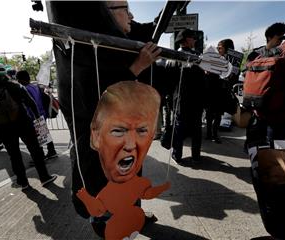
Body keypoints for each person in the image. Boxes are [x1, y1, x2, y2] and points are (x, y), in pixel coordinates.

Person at [46, 0, 162, 228]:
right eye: (125, 9)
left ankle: (133, 214)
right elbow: (97, 99)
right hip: (104, 153)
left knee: (130, 179)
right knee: (108, 201)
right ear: (103, 14)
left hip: (126, 143)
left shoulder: (118, 45)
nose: (131, 16)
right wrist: (136, 67)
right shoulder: (86, 52)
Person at [76, 81, 170, 239]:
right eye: (119, 131)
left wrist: (162, 187)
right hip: (114, 228)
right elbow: (98, 209)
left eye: (142, 131)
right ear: (96, 137)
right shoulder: (105, 190)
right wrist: (85, 197)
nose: (131, 145)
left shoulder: (138, 182)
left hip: (134, 221)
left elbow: (147, 193)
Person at [0, 61, 57, 189]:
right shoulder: (15, 86)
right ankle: (44, 177)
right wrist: (37, 119)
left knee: (14, 155)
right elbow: (31, 103)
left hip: (2, 128)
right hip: (24, 124)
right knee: (35, 151)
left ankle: (23, 182)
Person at [168, 29, 206, 163]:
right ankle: (196, 156)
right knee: (196, 127)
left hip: (180, 98)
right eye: (193, 37)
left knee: (179, 126)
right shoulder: (200, 57)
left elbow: (169, 79)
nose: (195, 40)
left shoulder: (173, 55)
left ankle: (177, 155)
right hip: (196, 99)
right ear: (186, 39)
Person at [16, 70, 58, 160]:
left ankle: (41, 156)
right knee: (44, 134)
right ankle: (52, 151)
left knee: (36, 137)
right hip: (42, 114)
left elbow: (29, 105)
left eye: (18, 79)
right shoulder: (35, 86)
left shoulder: (25, 89)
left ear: (21, 80)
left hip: (33, 116)